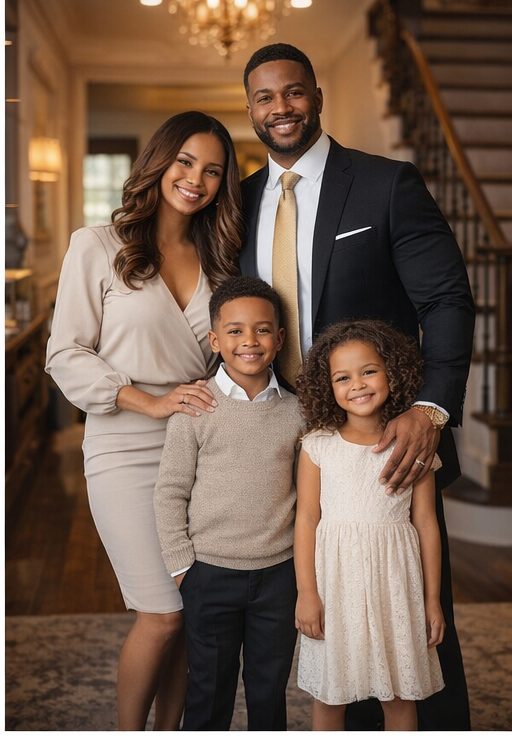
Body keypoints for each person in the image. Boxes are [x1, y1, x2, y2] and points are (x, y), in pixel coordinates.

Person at [240, 42, 475, 729]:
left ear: (315, 96)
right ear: (251, 108)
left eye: (293, 92)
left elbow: (448, 301)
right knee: (305, 611)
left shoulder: (385, 184)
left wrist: (431, 407)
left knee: (409, 614)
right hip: (274, 430)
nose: (280, 108)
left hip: (379, 435)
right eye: (264, 97)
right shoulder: (241, 198)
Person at [45, 111, 243, 730]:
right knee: (162, 611)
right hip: (125, 446)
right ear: (159, 161)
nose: (196, 179)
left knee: (191, 608)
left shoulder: (222, 259)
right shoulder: (97, 245)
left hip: (200, 450)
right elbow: (64, 353)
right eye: (185, 162)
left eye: (212, 170)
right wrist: (148, 401)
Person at [154, 276, 304, 731]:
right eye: (235, 331)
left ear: (279, 340)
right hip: (209, 574)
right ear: (215, 339)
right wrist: (183, 568)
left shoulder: (297, 412)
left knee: (268, 687)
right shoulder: (197, 407)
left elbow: (308, 495)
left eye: (262, 330)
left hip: (279, 575)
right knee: (209, 688)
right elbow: (170, 490)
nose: (249, 341)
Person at [295, 319, 446, 731]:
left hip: (395, 586)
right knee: (331, 694)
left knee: (399, 695)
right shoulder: (317, 446)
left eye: (369, 371)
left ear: (392, 372)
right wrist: (307, 593)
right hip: (335, 585)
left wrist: (432, 600)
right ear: (328, 387)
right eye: (343, 377)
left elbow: (426, 524)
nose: (357, 384)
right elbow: (307, 520)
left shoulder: (413, 446)